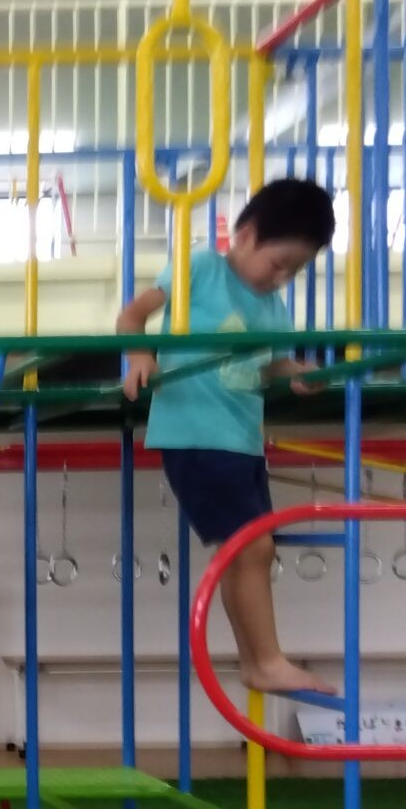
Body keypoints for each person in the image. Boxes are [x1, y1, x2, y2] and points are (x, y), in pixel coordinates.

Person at [119, 177, 334, 696]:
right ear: (246, 234)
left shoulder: (273, 309)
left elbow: (268, 364)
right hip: (196, 435)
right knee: (253, 548)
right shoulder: (201, 268)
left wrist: (295, 373)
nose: (281, 278)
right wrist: (141, 354)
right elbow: (132, 314)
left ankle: (257, 662)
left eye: (295, 271)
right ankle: (267, 660)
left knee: (249, 552)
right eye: (278, 263)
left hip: (241, 441)